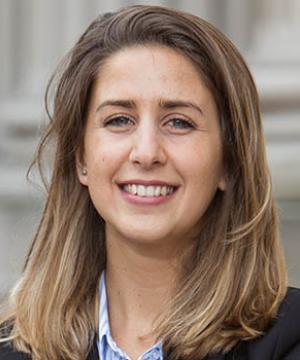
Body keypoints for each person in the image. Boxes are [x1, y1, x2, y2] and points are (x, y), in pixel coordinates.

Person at [0, 4, 299, 360]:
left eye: (179, 122)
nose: (146, 152)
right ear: (81, 157)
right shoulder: (12, 347)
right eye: (119, 120)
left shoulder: (289, 341)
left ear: (229, 163)